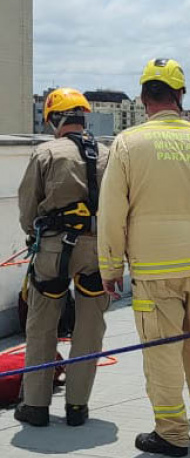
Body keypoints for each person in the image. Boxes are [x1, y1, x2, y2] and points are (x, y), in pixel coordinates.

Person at [98, 58, 190, 457]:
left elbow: (111, 214)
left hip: (154, 268)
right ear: (180, 95)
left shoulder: (127, 143)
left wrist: (111, 267)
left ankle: (172, 432)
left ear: (143, 98)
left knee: (162, 350)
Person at [14, 88, 110, 428]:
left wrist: (34, 233)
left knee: (42, 325)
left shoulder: (46, 153)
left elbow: (28, 205)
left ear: (55, 119)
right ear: (83, 119)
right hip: (96, 248)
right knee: (89, 327)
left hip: (53, 248)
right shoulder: (106, 153)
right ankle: (77, 406)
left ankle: (36, 405)